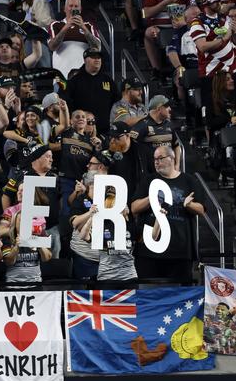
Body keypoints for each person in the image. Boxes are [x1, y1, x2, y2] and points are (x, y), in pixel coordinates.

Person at [130, 145, 205, 283]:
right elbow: (134, 208)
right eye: (154, 159)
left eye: (160, 158)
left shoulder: (189, 181)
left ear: (172, 158)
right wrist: (151, 197)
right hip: (149, 250)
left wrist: (188, 204)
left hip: (180, 250)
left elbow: (201, 210)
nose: (156, 162)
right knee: (148, 295)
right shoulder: (148, 180)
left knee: (179, 297)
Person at [65, 49, 119, 133]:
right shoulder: (75, 81)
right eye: (93, 57)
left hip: (105, 130)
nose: (97, 59)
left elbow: (117, 101)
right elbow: (66, 101)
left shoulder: (108, 80)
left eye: (99, 57)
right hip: (81, 131)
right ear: (85, 59)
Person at [47, 0, 101, 78]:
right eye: (70, 6)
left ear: (80, 9)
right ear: (64, 9)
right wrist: (66, 27)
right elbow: (52, 47)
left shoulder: (89, 25)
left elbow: (97, 47)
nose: (73, 9)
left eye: (76, 6)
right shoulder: (56, 25)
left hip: (84, 77)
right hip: (61, 76)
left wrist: (83, 28)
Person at [132, 94, 180, 173]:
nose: (170, 109)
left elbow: (176, 145)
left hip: (169, 172)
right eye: (167, 107)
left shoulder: (169, 125)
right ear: (159, 108)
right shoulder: (142, 126)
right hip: (151, 173)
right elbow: (133, 148)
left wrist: (177, 165)